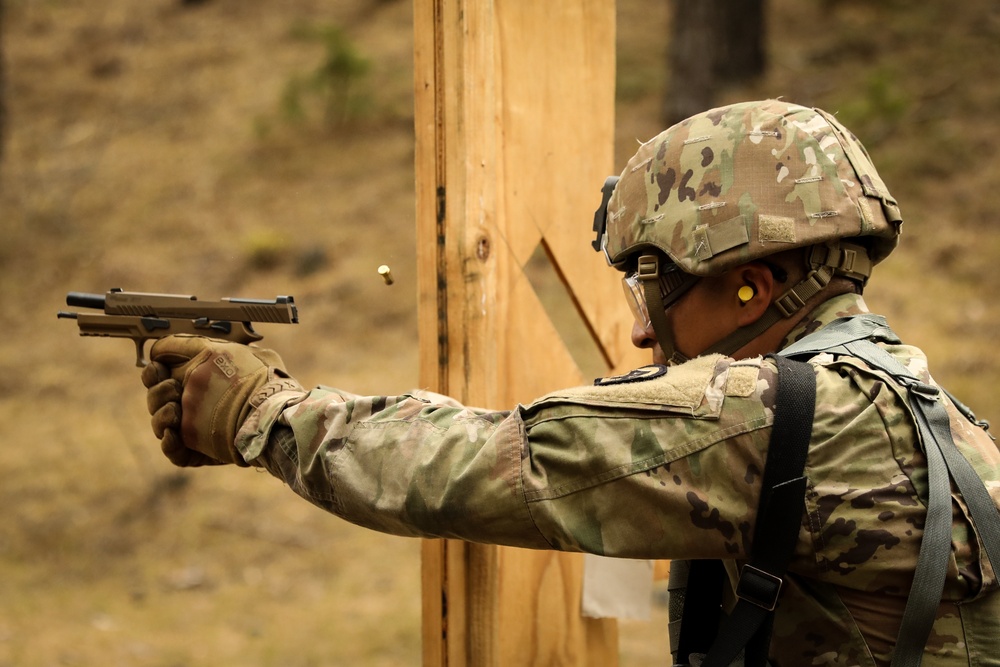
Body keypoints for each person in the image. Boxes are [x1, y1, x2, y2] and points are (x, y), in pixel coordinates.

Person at [141, 100, 1000, 666]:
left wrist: (261, 413)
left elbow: (468, 462)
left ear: (755, 286)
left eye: (656, 288)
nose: (637, 328)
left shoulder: (771, 416)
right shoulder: (938, 416)